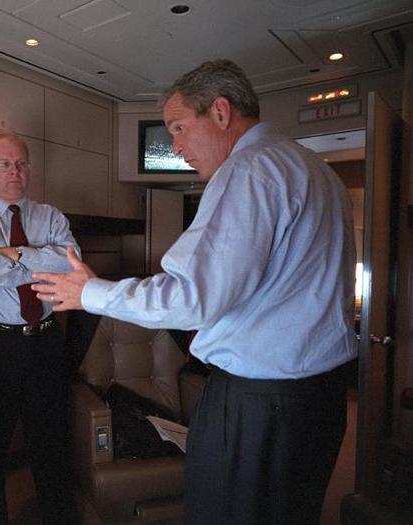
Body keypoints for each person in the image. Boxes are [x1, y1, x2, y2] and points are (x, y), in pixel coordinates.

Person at [32, 59, 356, 525]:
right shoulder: (316, 170)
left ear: (220, 112)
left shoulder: (249, 170)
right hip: (320, 401)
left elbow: (192, 297)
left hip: (261, 407)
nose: (176, 146)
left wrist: (91, 293)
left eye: (179, 128)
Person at [0, 131, 80, 524]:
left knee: (51, 447)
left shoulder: (52, 217)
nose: (14, 172)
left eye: (21, 163)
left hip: (44, 343)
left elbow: (72, 265)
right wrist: (41, 259)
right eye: (4, 164)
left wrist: (13, 253)